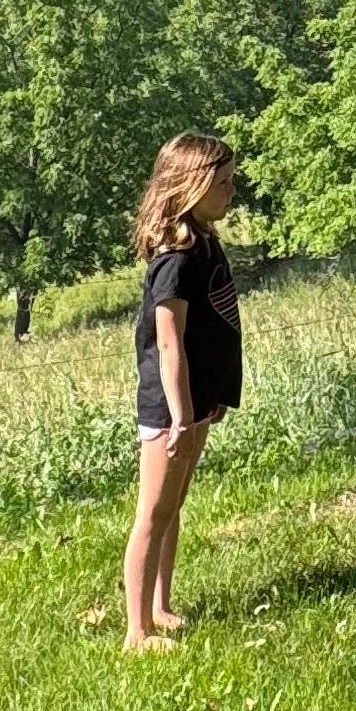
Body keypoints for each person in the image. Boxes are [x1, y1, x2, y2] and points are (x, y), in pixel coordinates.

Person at [123, 131, 243, 649]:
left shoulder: (204, 241)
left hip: (195, 402)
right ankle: (137, 631)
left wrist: (204, 402)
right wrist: (180, 414)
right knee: (152, 512)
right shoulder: (175, 258)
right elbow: (168, 344)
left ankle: (161, 607)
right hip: (172, 407)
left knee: (173, 505)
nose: (232, 190)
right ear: (192, 185)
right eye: (223, 182)